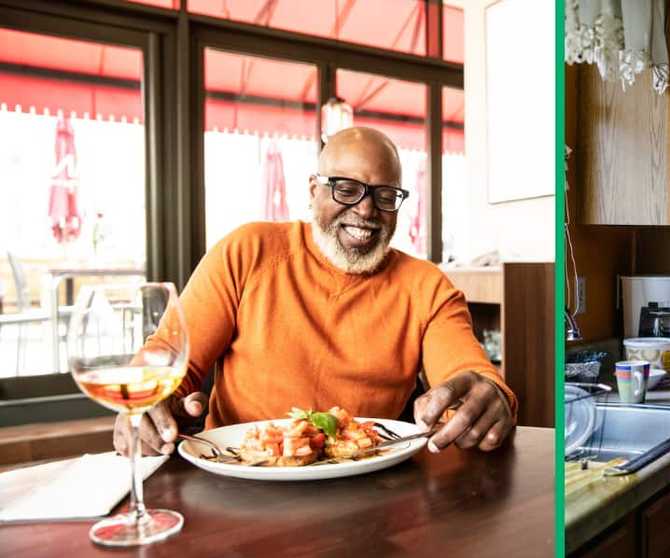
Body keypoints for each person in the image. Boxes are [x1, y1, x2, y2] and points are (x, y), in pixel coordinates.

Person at [115, 127, 516, 457]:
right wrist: (146, 399)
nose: (366, 210)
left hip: (372, 491)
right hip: (237, 479)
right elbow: (166, 358)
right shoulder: (247, 250)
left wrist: (489, 396)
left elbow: (470, 373)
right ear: (313, 190)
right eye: (346, 188)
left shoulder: (427, 286)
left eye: (385, 196)